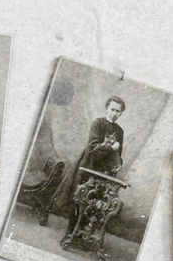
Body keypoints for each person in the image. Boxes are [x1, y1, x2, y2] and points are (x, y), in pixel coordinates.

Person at [41, 96, 125, 229]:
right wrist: (111, 148)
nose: (114, 113)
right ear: (106, 109)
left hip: (104, 170)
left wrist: (117, 165)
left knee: (95, 202)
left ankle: (81, 232)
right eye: (112, 109)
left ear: (121, 113)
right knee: (78, 196)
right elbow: (93, 149)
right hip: (89, 164)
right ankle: (71, 231)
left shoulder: (119, 131)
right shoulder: (98, 123)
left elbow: (117, 155)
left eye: (118, 111)